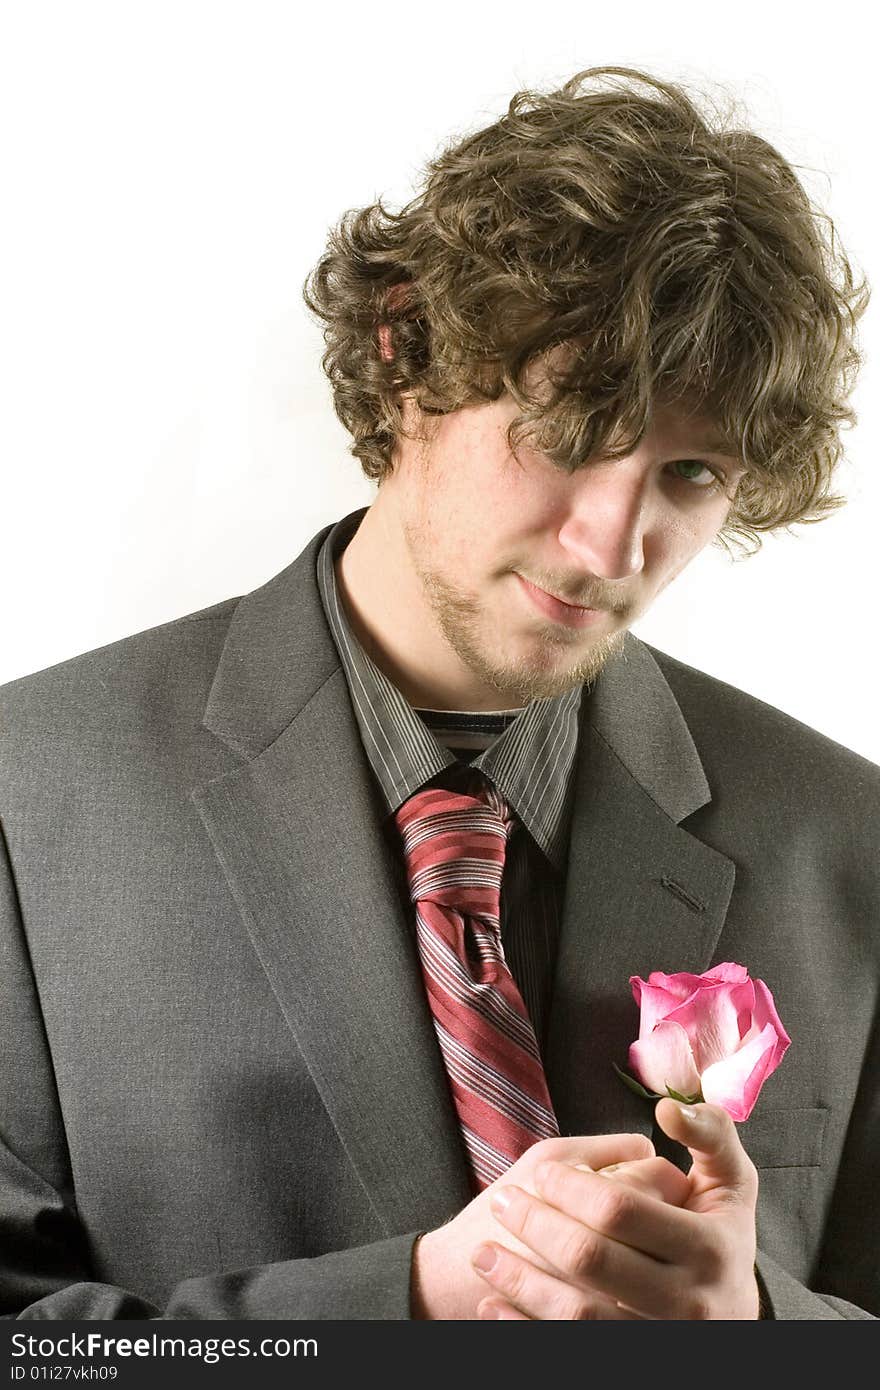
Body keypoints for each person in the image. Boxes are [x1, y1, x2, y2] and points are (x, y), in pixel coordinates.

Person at [0, 65, 877, 1322]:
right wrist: (398, 1309)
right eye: (571, 432)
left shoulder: (847, 841)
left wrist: (752, 1330)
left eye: (691, 473)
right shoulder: (26, 804)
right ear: (402, 346)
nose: (611, 544)